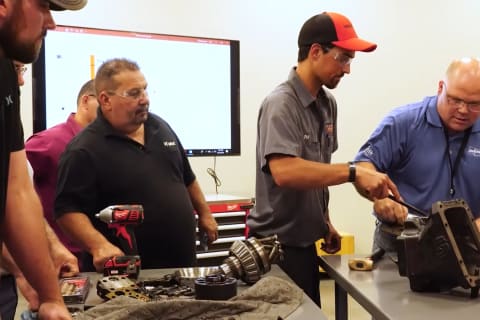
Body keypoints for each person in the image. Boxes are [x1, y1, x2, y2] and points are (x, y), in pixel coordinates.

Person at [246, 12, 400, 307]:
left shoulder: (327, 104)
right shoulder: (281, 103)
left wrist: (325, 221)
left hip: (306, 246)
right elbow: (285, 172)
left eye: (351, 60)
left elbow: (318, 169)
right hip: (277, 249)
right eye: (343, 58)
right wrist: (354, 172)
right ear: (315, 52)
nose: (348, 69)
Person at [55, 58, 218, 272]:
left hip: (181, 266)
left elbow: (186, 176)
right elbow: (67, 210)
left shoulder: (160, 126)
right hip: (125, 277)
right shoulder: (84, 149)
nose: (144, 100)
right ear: (105, 100)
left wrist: (205, 213)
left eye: (145, 90)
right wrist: (99, 245)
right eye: (133, 94)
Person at [0, 1, 86, 319]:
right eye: (43, 6)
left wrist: (50, 295)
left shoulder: (4, 74)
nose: (50, 23)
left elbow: (16, 191)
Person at [354, 57, 480, 253]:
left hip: (466, 247)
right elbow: (362, 167)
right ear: (440, 87)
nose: (463, 110)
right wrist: (381, 198)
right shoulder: (404, 122)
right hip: (400, 244)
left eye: (474, 104)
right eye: (455, 100)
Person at [26, 79, 98, 268]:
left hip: (102, 259)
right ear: (86, 101)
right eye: (104, 101)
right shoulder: (49, 142)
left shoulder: (109, 145)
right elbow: (12, 179)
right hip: (66, 263)